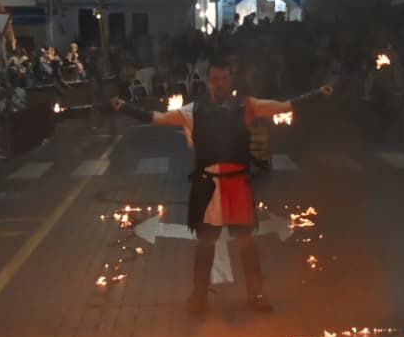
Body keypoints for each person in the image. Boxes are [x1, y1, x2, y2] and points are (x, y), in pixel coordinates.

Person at [111, 56, 333, 315]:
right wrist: (124, 107)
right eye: (215, 79)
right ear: (208, 81)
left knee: (246, 243)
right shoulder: (192, 111)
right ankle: (199, 297)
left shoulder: (247, 106)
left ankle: (256, 294)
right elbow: (158, 118)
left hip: (238, 184)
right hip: (208, 186)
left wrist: (318, 93)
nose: (219, 83)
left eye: (224, 78)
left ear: (230, 79)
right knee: (206, 243)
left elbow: (283, 106)